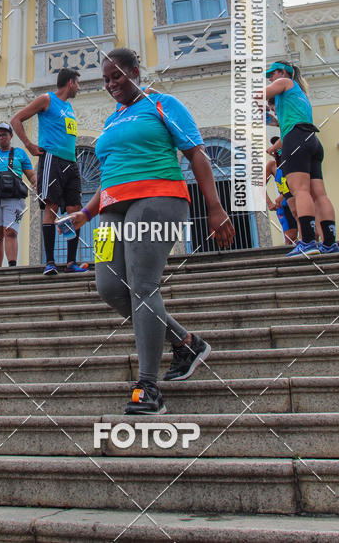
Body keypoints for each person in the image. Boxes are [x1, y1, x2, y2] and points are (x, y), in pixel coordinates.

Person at [68, 48, 235, 415]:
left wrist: (215, 206)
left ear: (135, 71)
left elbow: (196, 154)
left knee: (143, 285)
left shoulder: (163, 104)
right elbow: (110, 173)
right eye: (107, 79)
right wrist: (85, 213)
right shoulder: (112, 120)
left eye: (117, 76)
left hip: (158, 199)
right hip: (110, 210)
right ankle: (186, 342)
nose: (112, 84)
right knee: (108, 287)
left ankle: (148, 386)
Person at [11, 68, 87, 275]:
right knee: (51, 207)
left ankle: (71, 262)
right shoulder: (46, 99)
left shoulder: (69, 107)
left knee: (75, 209)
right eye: (78, 83)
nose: (79, 88)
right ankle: (50, 262)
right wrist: (29, 144)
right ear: (70, 82)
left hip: (71, 162)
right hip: (52, 159)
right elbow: (16, 119)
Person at [265, 61, 338, 256]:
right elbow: (286, 128)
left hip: (296, 140)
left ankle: (308, 241)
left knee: (300, 191)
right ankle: (330, 243)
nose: (270, 78)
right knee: (319, 194)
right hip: (311, 140)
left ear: (283, 72)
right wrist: (273, 147)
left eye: (271, 74)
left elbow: (261, 94)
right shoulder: (299, 97)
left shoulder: (285, 83)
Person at [0, 122, 37, 268]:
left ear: (11, 136)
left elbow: (30, 174)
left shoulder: (20, 153)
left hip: (13, 198)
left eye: (4, 134)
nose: (1, 137)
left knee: (10, 231)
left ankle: (11, 265)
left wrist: (36, 183)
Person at [265, 137, 298, 246]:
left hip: (300, 200)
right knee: (291, 239)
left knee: (312, 235)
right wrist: (269, 204)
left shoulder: (295, 159)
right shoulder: (272, 165)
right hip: (285, 206)